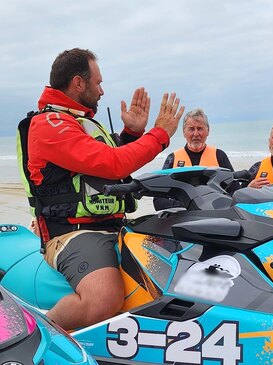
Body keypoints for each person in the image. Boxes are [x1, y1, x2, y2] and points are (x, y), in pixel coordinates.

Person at [18, 48, 184, 330]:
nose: (102, 90)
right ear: (78, 83)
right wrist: (160, 134)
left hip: (112, 226)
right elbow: (113, 164)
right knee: (103, 298)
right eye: (98, 82)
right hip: (72, 232)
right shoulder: (49, 126)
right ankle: (40, 339)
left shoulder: (78, 122)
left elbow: (102, 170)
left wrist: (131, 135)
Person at [153, 108, 240, 210]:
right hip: (181, 216)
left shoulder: (219, 156)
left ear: (208, 131)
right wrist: (183, 204)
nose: (196, 134)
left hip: (214, 216)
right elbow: (158, 200)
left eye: (200, 129)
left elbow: (236, 192)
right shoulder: (173, 158)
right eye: (191, 129)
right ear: (184, 132)